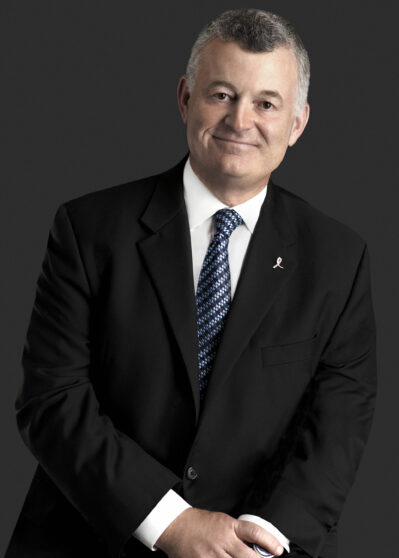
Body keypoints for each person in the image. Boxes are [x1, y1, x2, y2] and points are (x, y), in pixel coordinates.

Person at [5, 8, 377, 558]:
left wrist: (254, 545)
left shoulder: (339, 258)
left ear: (297, 124)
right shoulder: (87, 230)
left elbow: (337, 427)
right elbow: (52, 400)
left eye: (266, 104)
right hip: (88, 537)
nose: (240, 120)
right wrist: (172, 523)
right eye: (221, 95)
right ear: (185, 98)